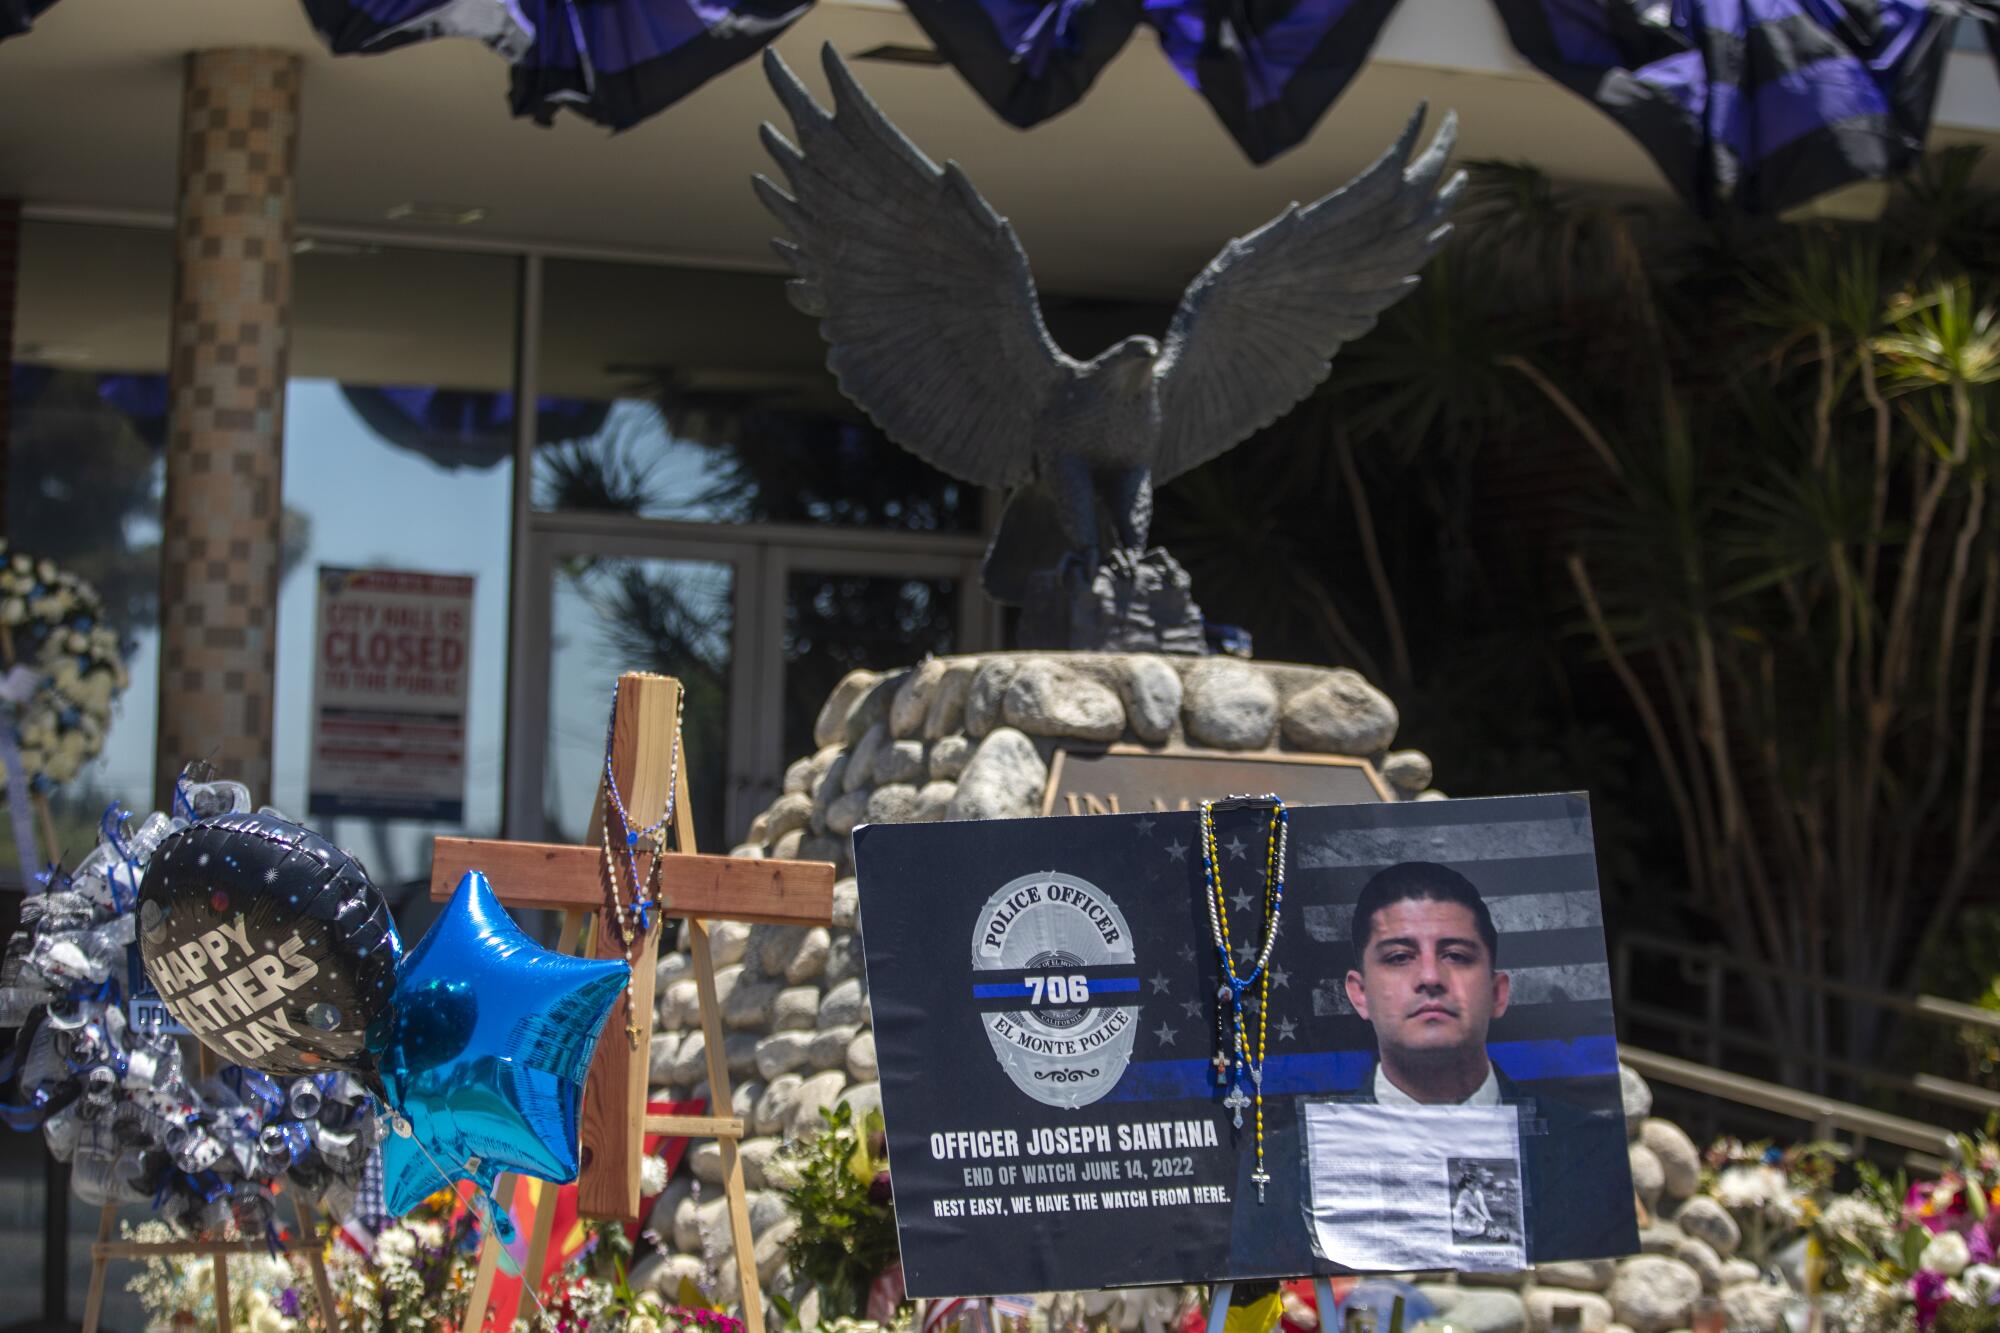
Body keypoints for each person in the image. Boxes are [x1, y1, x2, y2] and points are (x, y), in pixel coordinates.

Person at [1332, 860, 1631, 1259]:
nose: (1430, 977)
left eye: (1455, 955)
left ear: (1498, 992)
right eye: (1400, 957)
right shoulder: (1286, 1165)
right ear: (1359, 994)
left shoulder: (1589, 1152)